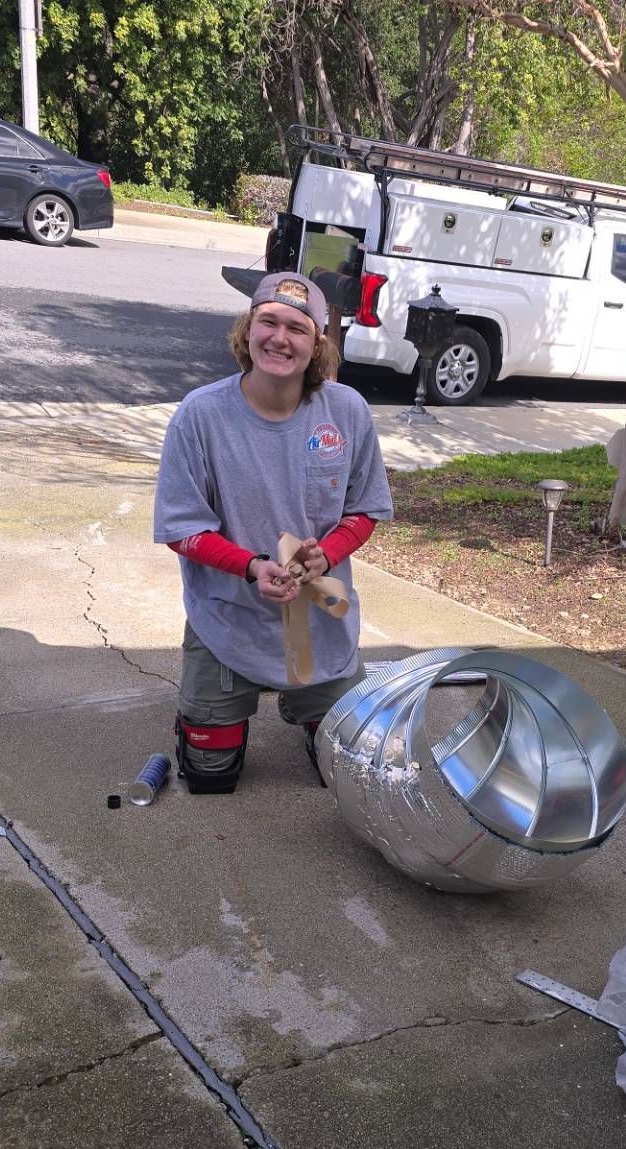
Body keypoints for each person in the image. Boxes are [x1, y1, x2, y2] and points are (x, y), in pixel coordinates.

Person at [152, 272, 393, 793]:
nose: (279, 339)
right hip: (227, 620)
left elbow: (366, 509)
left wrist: (325, 555)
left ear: (318, 345)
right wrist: (251, 565)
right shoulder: (200, 415)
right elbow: (180, 528)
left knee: (347, 771)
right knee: (208, 777)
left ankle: (310, 707)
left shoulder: (346, 410)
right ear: (247, 330)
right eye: (268, 322)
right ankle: (212, 724)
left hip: (320, 623)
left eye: (297, 329)